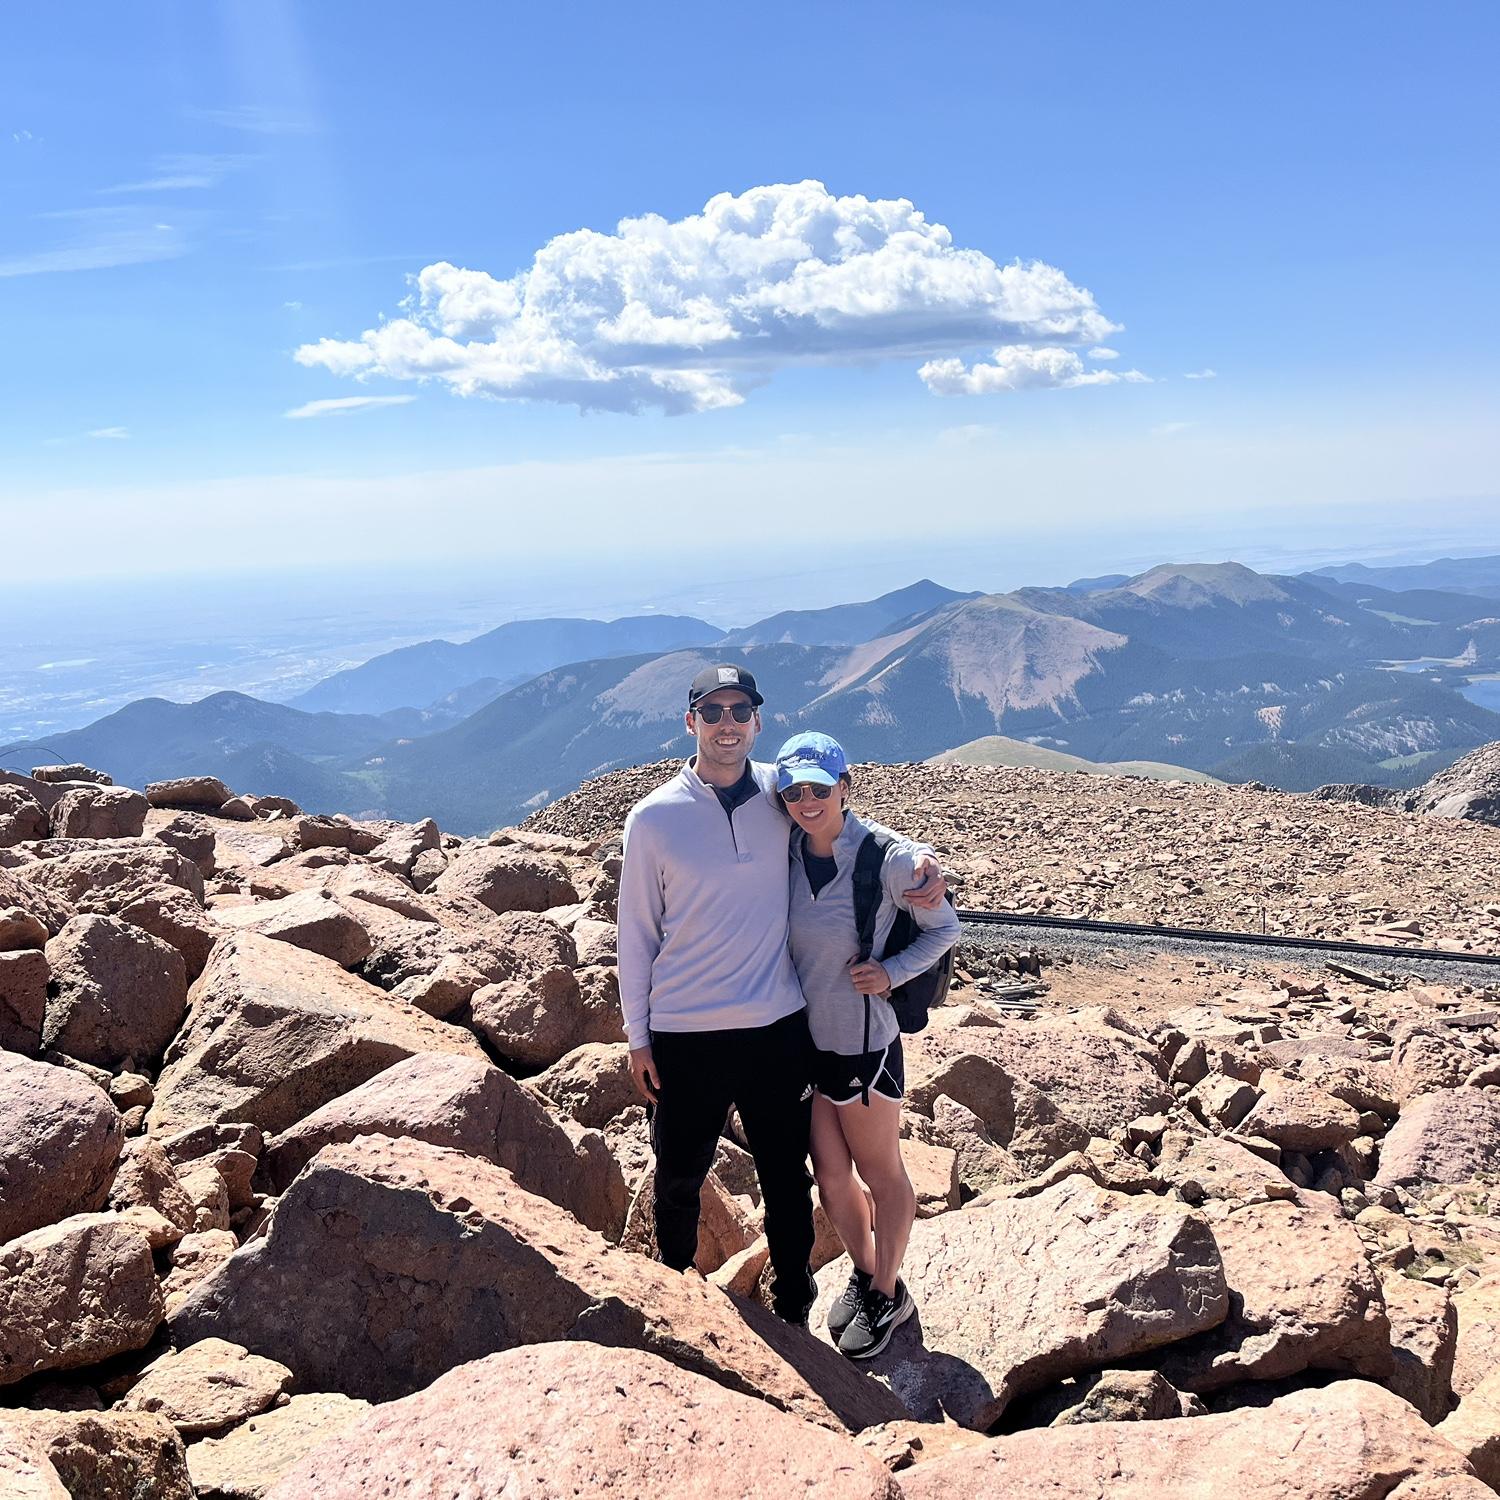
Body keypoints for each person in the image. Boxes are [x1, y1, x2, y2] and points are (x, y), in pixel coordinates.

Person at [617, 663, 946, 1324]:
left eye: (740, 711)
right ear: (691, 724)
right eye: (713, 712)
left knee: (788, 1181)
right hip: (685, 1031)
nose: (727, 724)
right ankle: (674, 1304)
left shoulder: (780, 791)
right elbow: (635, 933)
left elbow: (839, 816)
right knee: (678, 1175)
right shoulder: (652, 818)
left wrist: (918, 860)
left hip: (776, 1026)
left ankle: (792, 1305)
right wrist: (638, 1035)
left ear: (758, 722)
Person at [775, 730, 960, 1359]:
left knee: (882, 1174)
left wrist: (891, 973)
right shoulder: (790, 851)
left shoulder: (890, 859)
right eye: (794, 789)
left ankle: (887, 1291)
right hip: (810, 1044)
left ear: (845, 788)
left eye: (819, 788)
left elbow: (945, 928)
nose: (806, 800)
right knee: (830, 1177)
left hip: (864, 1046)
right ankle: (867, 1269)